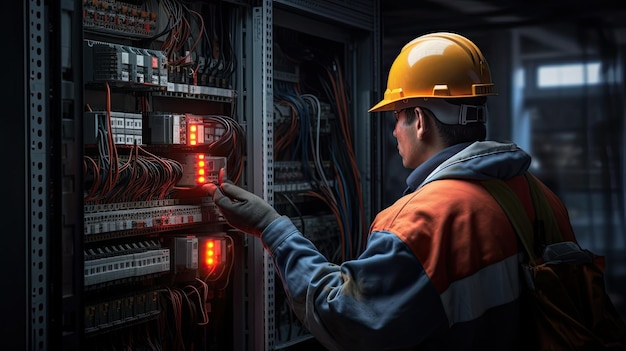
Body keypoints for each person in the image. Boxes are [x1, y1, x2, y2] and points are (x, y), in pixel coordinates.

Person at [203, 32, 577, 350]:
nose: (394, 131)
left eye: (397, 116)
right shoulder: (539, 196)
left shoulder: (420, 222)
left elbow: (343, 318)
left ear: (419, 120)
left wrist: (272, 227)